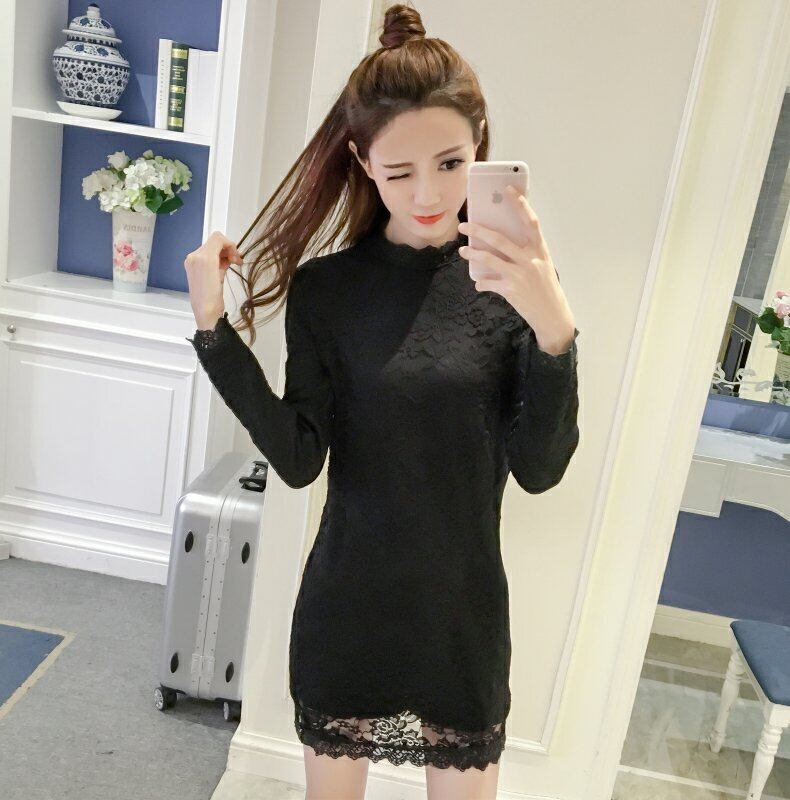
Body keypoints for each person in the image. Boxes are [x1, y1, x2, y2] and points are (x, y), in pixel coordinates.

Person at [183, 4, 580, 798]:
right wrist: (213, 332)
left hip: (461, 618)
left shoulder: (516, 289)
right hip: (348, 608)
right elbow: (299, 459)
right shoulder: (326, 292)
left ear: (481, 146)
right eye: (399, 172)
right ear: (362, 162)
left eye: (451, 162)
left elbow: (539, 471)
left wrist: (555, 332)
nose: (428, 193)